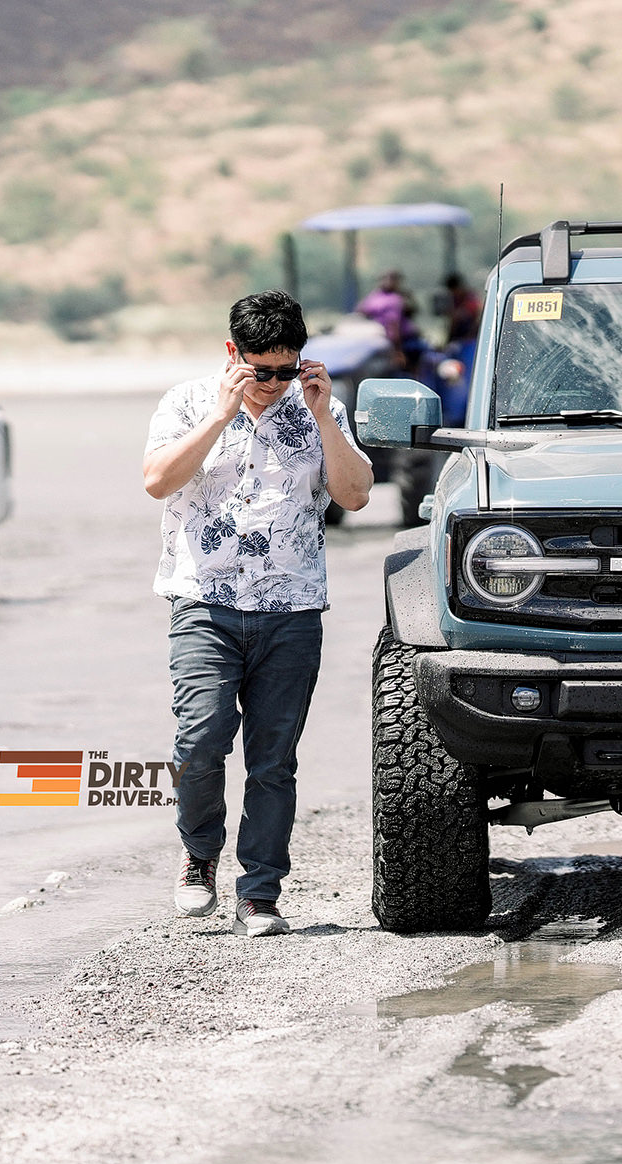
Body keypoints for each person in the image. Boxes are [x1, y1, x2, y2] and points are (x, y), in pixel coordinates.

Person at [141, 290, 373, 937]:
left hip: (292, 610)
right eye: (260, 370)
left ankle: (260, 894)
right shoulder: (187, 402)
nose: (272, 385)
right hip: (204, 603)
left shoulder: (318, 406)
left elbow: (354, 495)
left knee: (274, 760)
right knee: (200, 740)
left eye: (285, 370)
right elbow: (157, 481)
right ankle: (198, 856)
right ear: (231, 354)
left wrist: (325, 418)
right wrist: (219, 418)